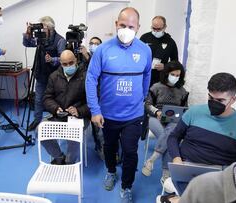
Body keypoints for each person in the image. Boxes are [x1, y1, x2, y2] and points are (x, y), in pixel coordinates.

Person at [86, 7, 152, 203]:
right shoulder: (103, 50)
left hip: (133, 115)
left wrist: (142, 95)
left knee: (131, 152)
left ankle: (126, 186)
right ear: (116, 24)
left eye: (131, 26)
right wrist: (95, 110)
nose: (126, 29)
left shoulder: (145, 50)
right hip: (108, 114)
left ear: (138, 27)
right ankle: (111, 171)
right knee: (109, 146)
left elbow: (147, 74)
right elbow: (91, 79)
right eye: (122, 25)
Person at [165, 72, 236, 191]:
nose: (213, 103)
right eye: (210, 98)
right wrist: (177, 158)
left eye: (220, 100)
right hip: (187, 170)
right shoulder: (194, 112)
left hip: (219, 178)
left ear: (233, 100)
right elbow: (174, 137)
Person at [41, 50, 90, 164]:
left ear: (76, 61)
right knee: (40, 131)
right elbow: (47, 98)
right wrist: (55, 108)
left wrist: (79, 110)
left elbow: (94, 101)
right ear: (60, 64)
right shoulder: (54, 76)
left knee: (73, 135)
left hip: (79, 117)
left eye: (71, 63)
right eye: (65, 64)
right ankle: (59, 157)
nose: (68, 66)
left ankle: (69, 163)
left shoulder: (86, 77)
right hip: (59, 115)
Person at [141, 61, 188, 177]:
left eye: (178, 76)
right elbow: (147, 105)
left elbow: (185, 109)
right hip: (155, 118)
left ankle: (151, 159)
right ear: (166, 73)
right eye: (173, 75)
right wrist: (157, 112)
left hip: (173, 121)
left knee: (171, 135)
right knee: (170, 139)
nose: (175, 78)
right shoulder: (156, 87)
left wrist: (181, 114)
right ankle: (166, 174)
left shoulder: (182, 91)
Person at [23, 16, 66, 131]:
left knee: (56, 101)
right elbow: (27, 43)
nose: (41, 30)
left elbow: (63, 59)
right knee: (38, 100)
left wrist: (52, 59)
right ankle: (37, 121)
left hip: (55, 77)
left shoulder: (60, 40)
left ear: (50, 28)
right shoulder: (40, 39)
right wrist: (28, 34)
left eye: (44, 27)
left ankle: (56, 122)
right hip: (41, 74)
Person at [140, 16, 178, 86]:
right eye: (154, 28)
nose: (156, 31)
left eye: (159, 29)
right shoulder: (144, 37)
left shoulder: (170, 41)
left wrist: (166, 66)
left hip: (161, 78)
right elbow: (138, 55)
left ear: (164, 27)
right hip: (144, 75)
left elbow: (175, 62)